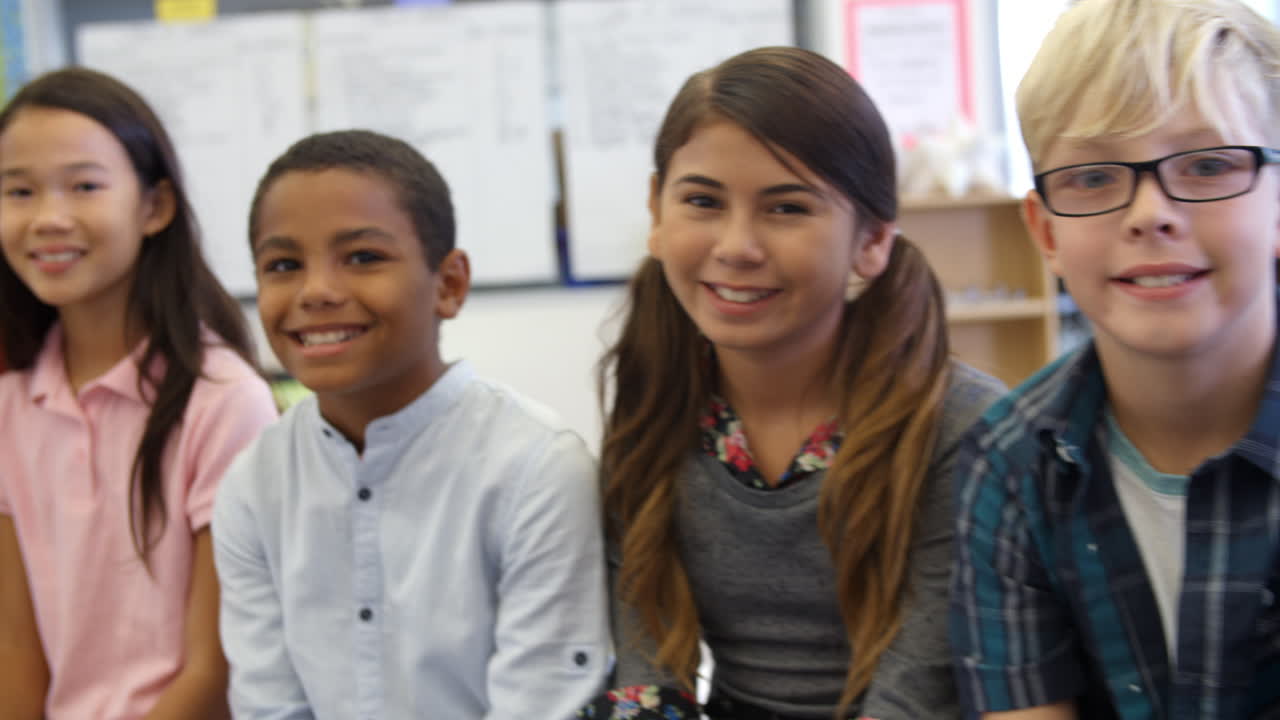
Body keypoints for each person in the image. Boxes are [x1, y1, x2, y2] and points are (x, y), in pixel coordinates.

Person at [580, 46, 1005, 720]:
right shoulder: (656, 399)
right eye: (702, 201)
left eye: (786, 209)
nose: (736, 247)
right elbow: (645, 662)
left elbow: (918, 689)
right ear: (657, 213)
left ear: (872, 240)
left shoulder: (962, 424)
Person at [950, 1, 1280, 718]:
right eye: (1094, 177)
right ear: (1045, 233)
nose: (1150, 213)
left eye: (1208, 165)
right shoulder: (1010, 465)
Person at [212, 129, 610, 719]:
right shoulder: (254, 485)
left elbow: (541, 703)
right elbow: (269, 705)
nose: (316, 291)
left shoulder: (536, 468)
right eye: (284, 265)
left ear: (448, 284)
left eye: (363, 258)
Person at [0, 67, 277, 719]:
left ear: (155, 206)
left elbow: (216, 671)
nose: (49, 218)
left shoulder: (223, 400)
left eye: (84, 186)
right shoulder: (9, 406)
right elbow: (16, 655)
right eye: (18, 191)